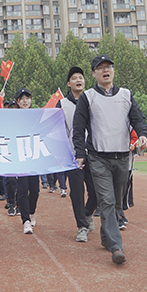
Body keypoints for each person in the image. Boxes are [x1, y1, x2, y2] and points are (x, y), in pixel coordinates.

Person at [72, 54, 147, 265]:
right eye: (101, 67)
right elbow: (78, 129)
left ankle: (106, 238)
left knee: (116, 204)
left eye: (109, 67)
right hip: (98, 158)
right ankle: (117, 247)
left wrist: (142, 134)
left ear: (113, 71)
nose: (105, 70)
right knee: (106, 200)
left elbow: (138, 119)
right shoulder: (88, 97)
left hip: (123, 156)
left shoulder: (126, 95)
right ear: (94, 73)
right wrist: (80, 154)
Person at [57, 67, 97, 243]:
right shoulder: (62, 104)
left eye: (81, 77)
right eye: (74, 78)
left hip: (95, 153)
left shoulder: (93, 100)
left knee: (96, 191)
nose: (78, 80)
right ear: (69, 83)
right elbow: (58, 131)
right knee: (77, 192)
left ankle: (88, 213)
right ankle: (82, 226)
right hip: (72, 155)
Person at [14, 88, 40, 234]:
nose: (25, 101)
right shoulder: (13, 116)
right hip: (19, 157)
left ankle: (31, 211)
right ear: (18, 102)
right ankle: (26, 221)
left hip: (34, 157)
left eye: (27, 98)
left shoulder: (36, 115)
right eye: (22, 98)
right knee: (22, 189)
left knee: (35, 190)